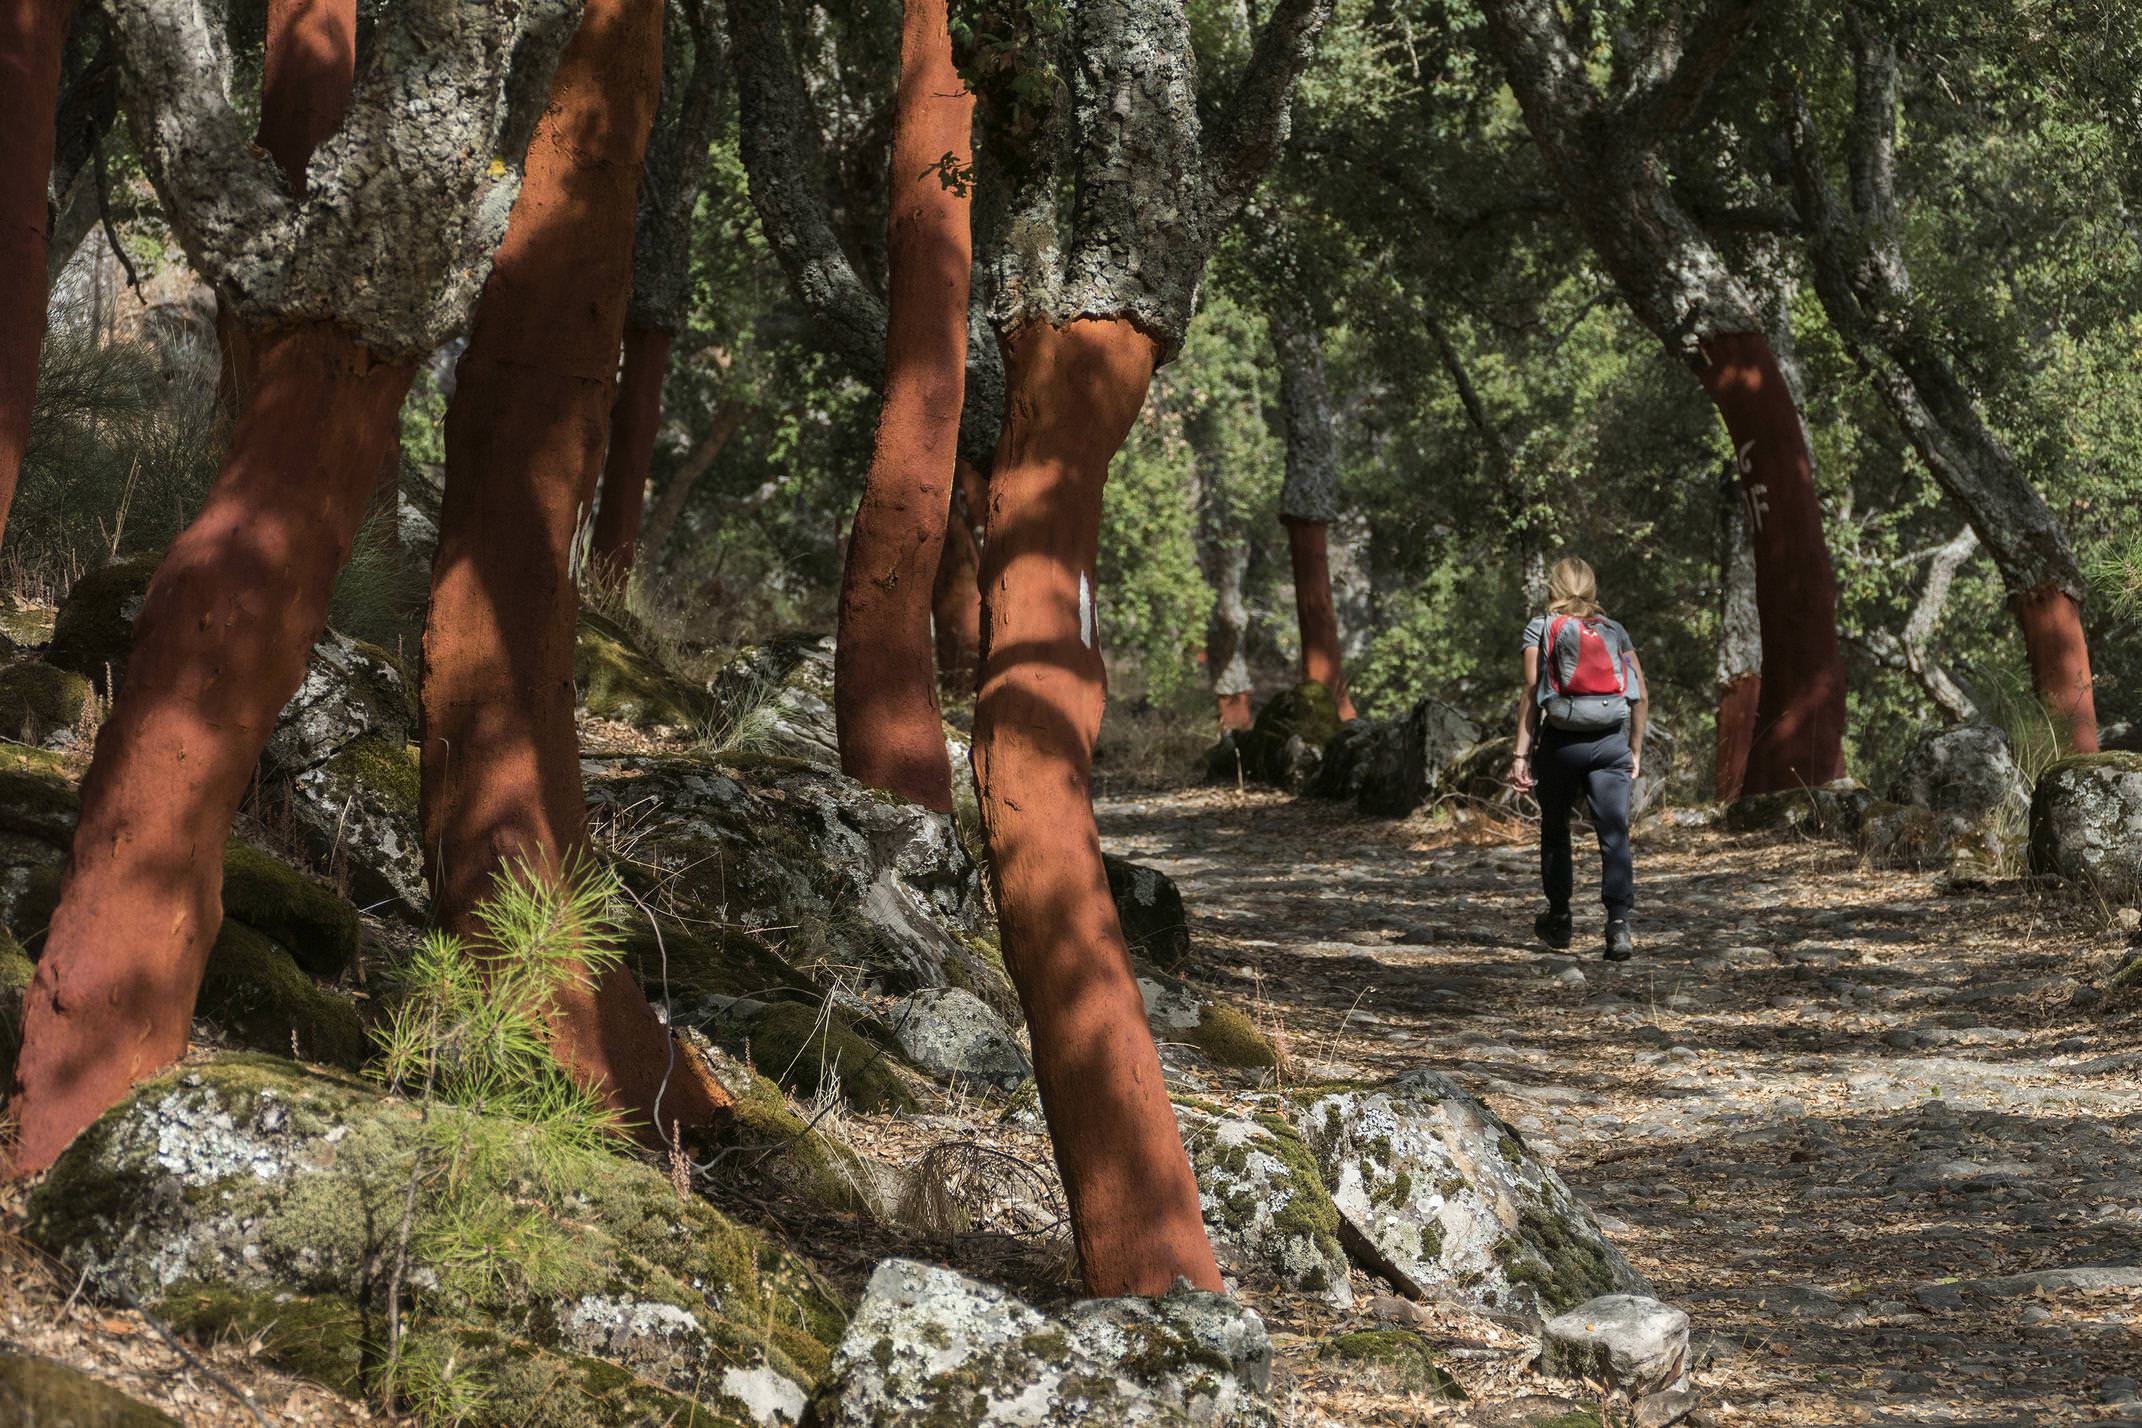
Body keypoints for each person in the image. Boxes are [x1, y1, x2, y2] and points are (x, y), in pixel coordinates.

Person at [1510, 557, 1648, 960]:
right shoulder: (1614, 630)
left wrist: (1520, 754)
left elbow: (1531, 694)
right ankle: (1618, 925)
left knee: (1556, 829)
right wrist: (1634, 748)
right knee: (1614, 831)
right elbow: (1639, 691)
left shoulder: (1541, 628)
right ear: (1591, 587)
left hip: (1561, 745)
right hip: (1610, 743)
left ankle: (1559, 918)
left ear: (1553, 587)